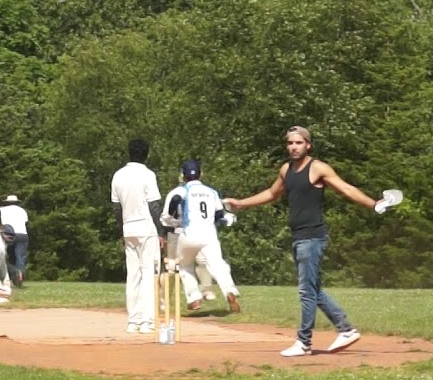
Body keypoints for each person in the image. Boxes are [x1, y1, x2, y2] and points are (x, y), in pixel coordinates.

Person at [224, 125, 391, 357]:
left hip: (312, 237)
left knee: (306, 291)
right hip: (298, 236)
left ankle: (304, 342)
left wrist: (373, 204)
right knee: (313, 289)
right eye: (290, 143)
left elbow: (345, 188)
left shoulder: (318, 168)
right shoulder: (286, 170)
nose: (293, 147)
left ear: (308, 145)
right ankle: (346, 329)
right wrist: (242, 203)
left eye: (298, 143)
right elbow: (272, 194)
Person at [160, 159, 241, 313]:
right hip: (209, 235)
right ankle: (230, 291)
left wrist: (172, 215)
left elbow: (175, 200)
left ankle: (194, 297)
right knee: (218, 265)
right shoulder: (212, 192)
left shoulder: (183, 190)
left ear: (183, 175)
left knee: (184, 266)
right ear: (201, 174)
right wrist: (223, 219)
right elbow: (218, 214)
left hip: (189, 233)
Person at [110, 138, 165, 334]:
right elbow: (154, 206)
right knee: (149, 273)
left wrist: (121, 229)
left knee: (132, 276)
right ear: (146, 154)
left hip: (128, 228)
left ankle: (133, 321)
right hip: (146, 228)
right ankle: (147, 322)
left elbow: (116, 207)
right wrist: (161, 231)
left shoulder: (118, 175)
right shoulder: (148, 175)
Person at [0, 194, 30, 287]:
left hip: (9, 235)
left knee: (7, 258)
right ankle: (20, 277)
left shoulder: (1, 210)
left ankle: (10, 276)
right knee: (20, 258)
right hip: (23, 235)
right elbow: (26, 224)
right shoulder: (23, 211)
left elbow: (0, 225)